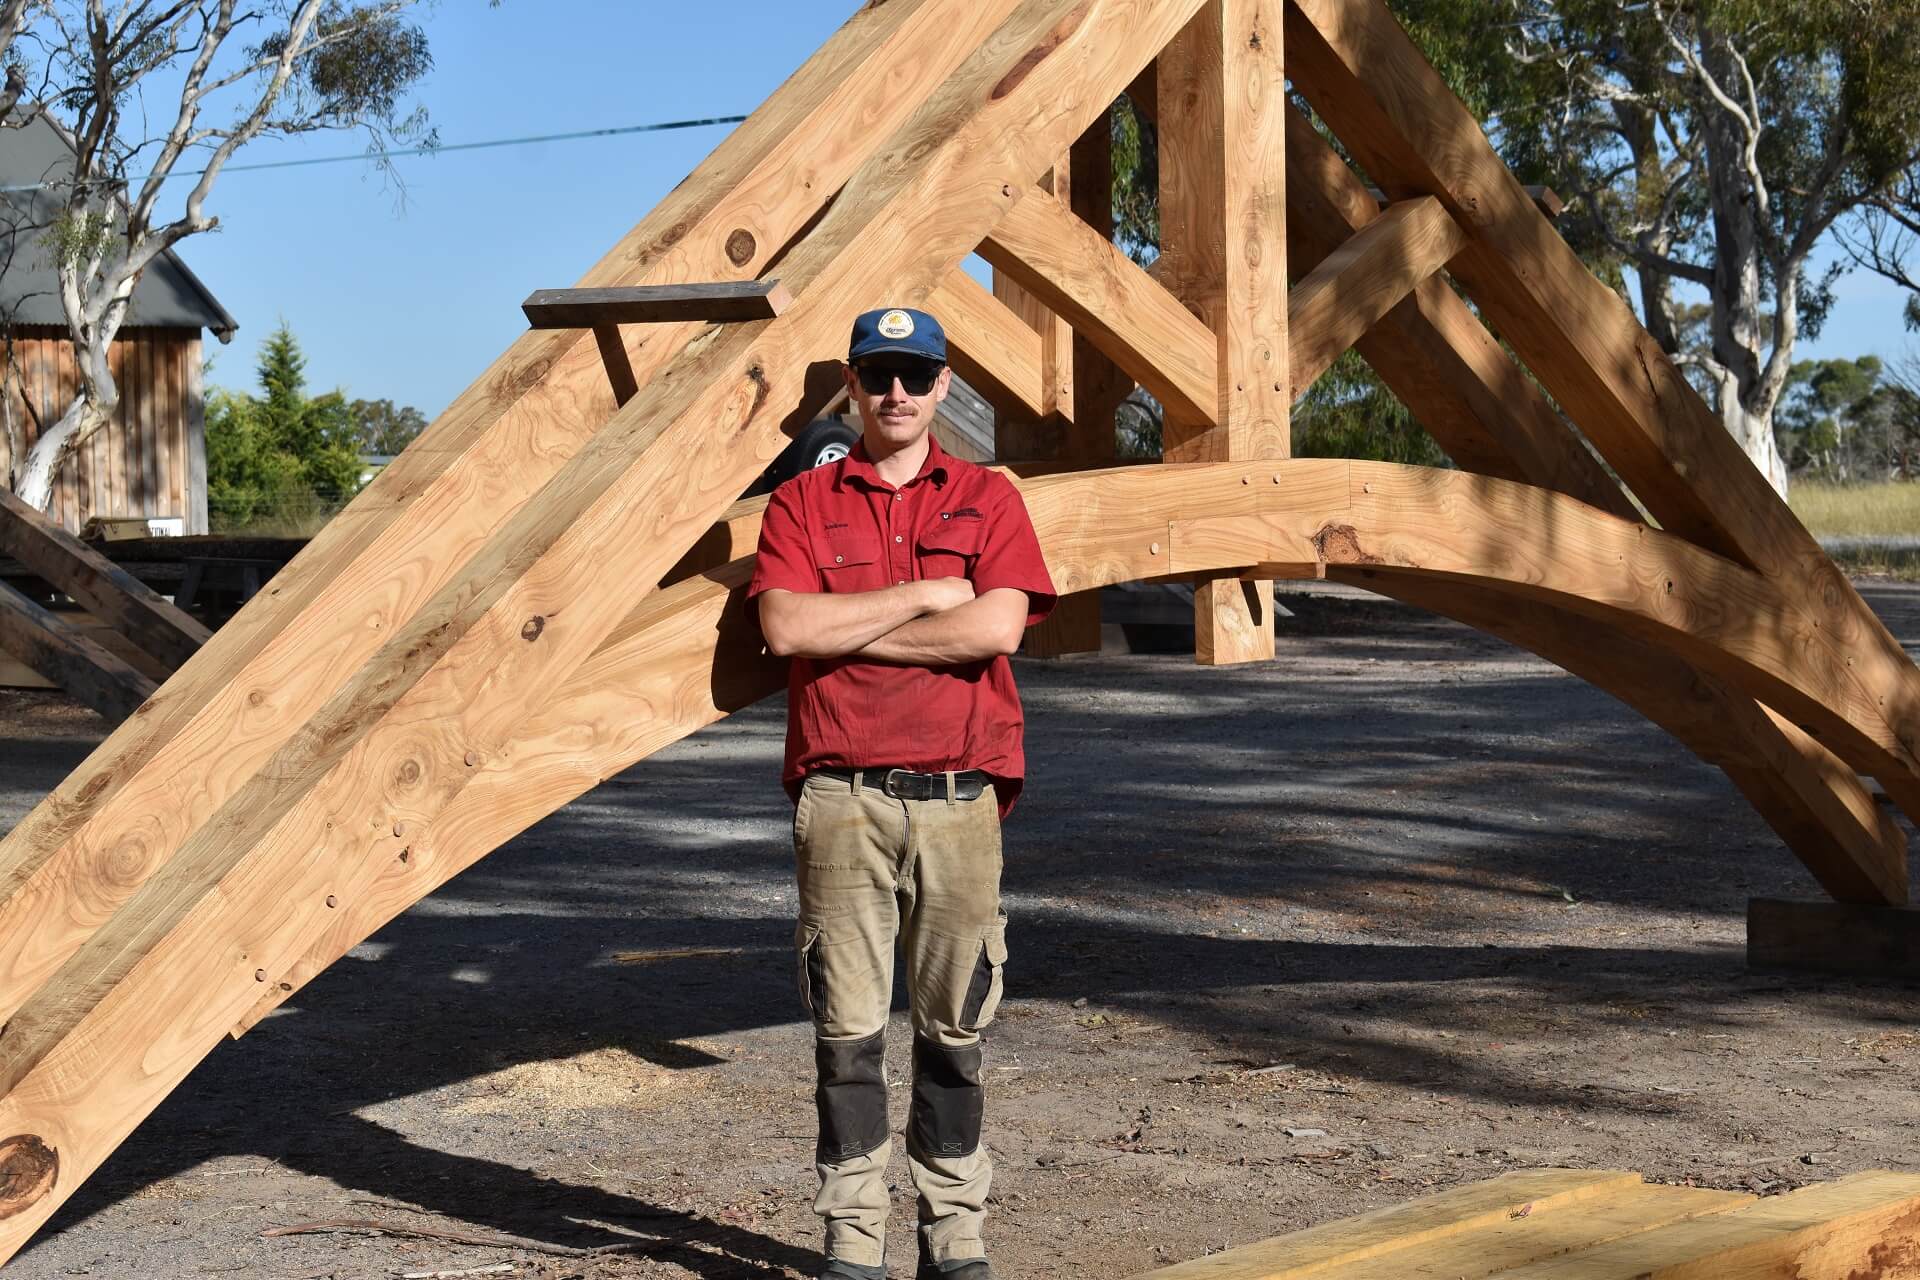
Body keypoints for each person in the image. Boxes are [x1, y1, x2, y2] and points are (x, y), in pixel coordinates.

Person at [750, 306, 1057, 1280]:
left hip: (961, 801)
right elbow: (789, 626)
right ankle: (852, 1242)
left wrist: (851, 629)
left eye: (914, 376)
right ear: (853, 381)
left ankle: (954, 1238)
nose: (896, 394)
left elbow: (997, 629)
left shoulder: (987, 497)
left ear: (943, 384)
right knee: (845, 1030)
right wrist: (928, 596)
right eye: (879, 374)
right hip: (841, 799)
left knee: (954, 1028)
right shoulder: (801, 504)